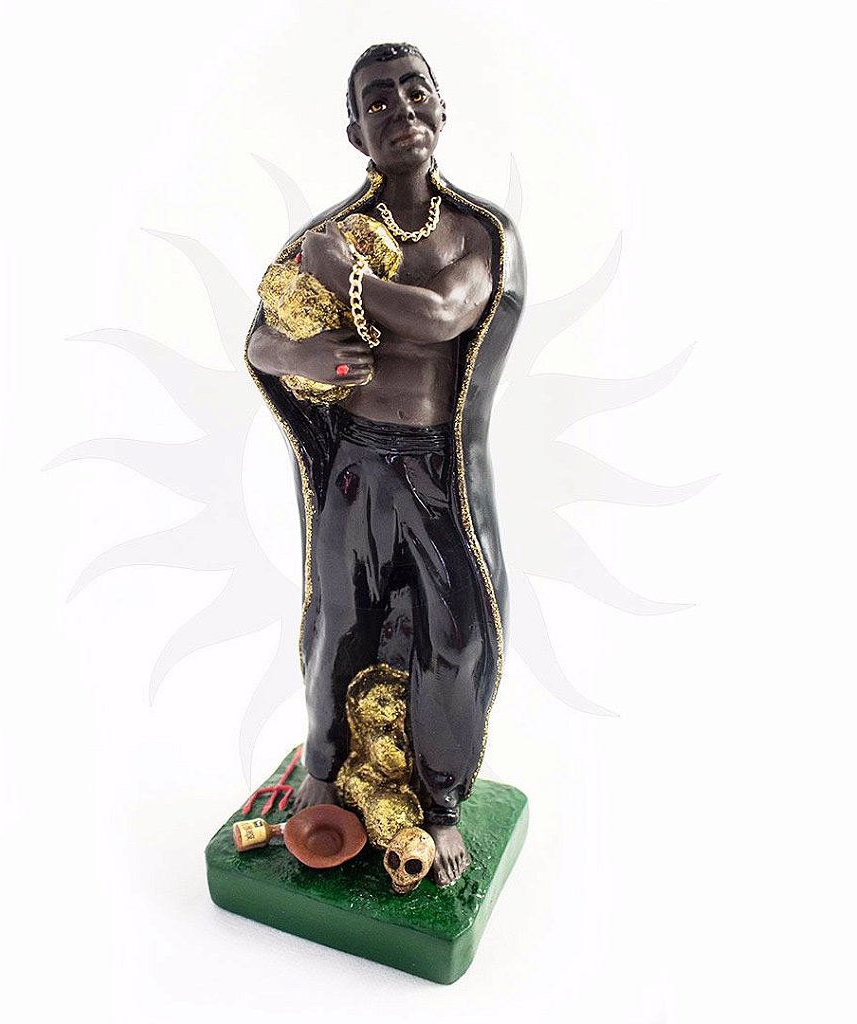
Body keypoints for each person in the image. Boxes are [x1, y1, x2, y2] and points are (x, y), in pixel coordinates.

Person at [245, 43, 525, 887]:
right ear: (354, 134)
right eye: (376, 102)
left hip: (439, 475)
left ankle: (440, 802)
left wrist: (353, 282)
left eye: (414, 92)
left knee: (454, 636)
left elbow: (441, 317)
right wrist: (305, 353)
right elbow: (260, 340)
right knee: (341, 623)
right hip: (358, 467)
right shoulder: (329, 237)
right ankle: (325, 770)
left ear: (440, 107)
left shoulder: (478, 234)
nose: (399, 110)